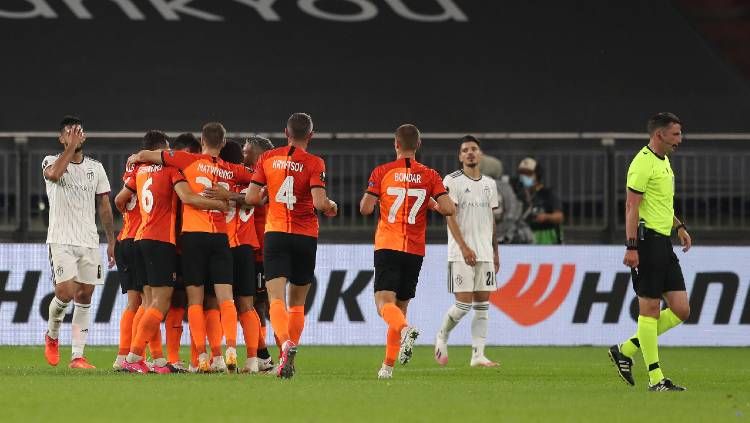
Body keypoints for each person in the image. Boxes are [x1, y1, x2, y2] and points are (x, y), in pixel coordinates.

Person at [127, 122, 253, 373]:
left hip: (191, 238)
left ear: (202, 141)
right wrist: (228, 197)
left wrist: (136, 157)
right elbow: (258, 183)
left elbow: (148, 155)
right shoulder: (230, 170)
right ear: (224, 143)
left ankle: (202, 357)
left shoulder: (186, 161)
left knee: (193, 300)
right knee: (224, 298)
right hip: (220, 238)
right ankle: (229, 349)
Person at [245, 113, 338, 379]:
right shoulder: (314, 162)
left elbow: (251, 197)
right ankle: (290, 356)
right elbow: (321, 204)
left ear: (286, 132)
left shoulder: (267, 158)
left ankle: (285, 346)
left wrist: (266, 194)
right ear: (311, 136)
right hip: (305, 236)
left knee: (275, 298)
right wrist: (332, 207)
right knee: (297, 302)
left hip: (275, 234)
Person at [359, 124, 455, 380]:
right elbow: (449, 209)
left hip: (388, 244)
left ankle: (405, 331)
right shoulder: (430, 175)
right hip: (414, 249)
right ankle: (387, 367)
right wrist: (430, 201)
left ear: (396, 144)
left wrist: (378, 197)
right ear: (418, 145)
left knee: (384, 305)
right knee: (399, 308)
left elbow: (366, 209)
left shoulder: (382, 172)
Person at [609, 112, 692, 392]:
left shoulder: (664, 161)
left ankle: (625, 349)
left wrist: (679, 226)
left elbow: (661, 204)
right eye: (675, 135)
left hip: (664, 242)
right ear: (659, 135)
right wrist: (631, 247)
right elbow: (632, 207)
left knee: (681, 309)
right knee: (650, 310)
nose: (679, 140)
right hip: (646, 243)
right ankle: (656, 379)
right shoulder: (642, 163)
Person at [43, 116, 116, 369]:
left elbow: (104, 206)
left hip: (88, 241)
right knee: (65, 292)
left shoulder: (95, 168)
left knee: (85, 295)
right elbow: (54, 175)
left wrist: (111, 240)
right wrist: (70, 149)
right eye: (70, 132)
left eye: (79, 132)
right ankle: (52, 335)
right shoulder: (51, 161)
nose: (76, 135)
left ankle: (77, 356)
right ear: (61, 138)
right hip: (61, 239)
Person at [434, 135, 500, 368]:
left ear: (480, 154)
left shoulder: (490, 184)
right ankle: (442, 336)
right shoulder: (452, 181)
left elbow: (491, 219)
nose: (470, 153)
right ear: (460, 156)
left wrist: (495, 251)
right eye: (465, 150)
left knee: (483, 306)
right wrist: (463, 247)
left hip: (484, 253)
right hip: (461, 253)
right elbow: (449, 216)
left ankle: (478, 355)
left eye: (474, 149)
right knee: (463, 305)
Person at [205, 139, 263, 373]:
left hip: (221, 246)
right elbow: (261, 196)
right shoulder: (252, 178)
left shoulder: (215, 176)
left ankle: (217, 356)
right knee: (247, 306)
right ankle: (252, 360)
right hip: (245, 248)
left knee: (213, 303)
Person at [245, 136, 276, 372]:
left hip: (262, 251)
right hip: (256, 249)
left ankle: (266, 355)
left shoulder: (266, 179)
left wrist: (227, 197)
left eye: (248, 152)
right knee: (256, 304)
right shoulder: (256, 177)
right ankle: (262, 355)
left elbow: (250, 201)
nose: (243, 156)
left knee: (257, 304)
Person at [112, 159, 143, 371]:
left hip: (124, 239)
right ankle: (132, 356)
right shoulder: (146, 172)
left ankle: (124, 355)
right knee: (147, 302)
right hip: (138, 239)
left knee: (136, 303)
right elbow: (118, 200)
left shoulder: (131, 173)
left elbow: (120, 201)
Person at [517, 157, 564, 244]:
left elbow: (559, 216)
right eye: (522, 174)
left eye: (528, 174)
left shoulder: (548, 194)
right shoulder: (519, 196)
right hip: (526, 236)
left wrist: (546, 217)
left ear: (537, 175)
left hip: (546, 237)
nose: (524, 177)